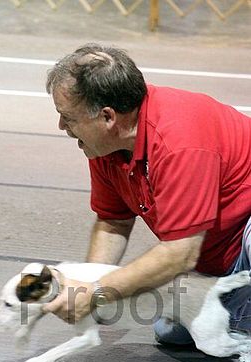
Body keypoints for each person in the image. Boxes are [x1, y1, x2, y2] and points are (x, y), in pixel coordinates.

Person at [41, 43, 251, 345]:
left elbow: (180, 254)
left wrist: (100, 290)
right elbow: (114, 221)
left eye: (69, 118)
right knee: (172, 331)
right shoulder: (105, 146)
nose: (61, 126)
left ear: (108, 117)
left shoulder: (179, 142)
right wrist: (88, 287)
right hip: (218, 260)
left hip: (239, 239)